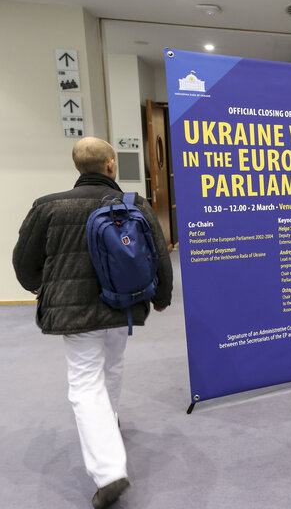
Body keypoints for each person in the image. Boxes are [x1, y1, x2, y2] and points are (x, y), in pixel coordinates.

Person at [13, 137, 173, 509]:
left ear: (77, 168)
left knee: (85, 384)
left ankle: (108, 472)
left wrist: (41, 286)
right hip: (124, 305)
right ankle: (109, 424)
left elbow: (24, 261)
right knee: (112, 366)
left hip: (75, 313)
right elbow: (159, 255)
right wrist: (161, 298)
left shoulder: (48, 206)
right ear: (111, 166)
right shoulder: (133, 204)